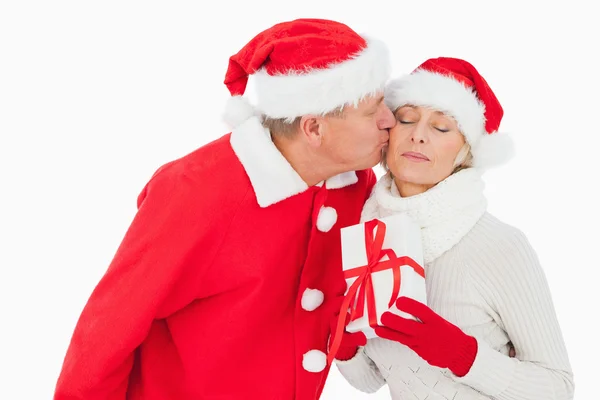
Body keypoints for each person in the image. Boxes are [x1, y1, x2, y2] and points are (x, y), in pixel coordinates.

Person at [53, 18, 396, 400]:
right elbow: (105, 336)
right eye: (373, 111)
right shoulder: (193, 192)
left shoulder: (354, 183)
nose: (390, 120)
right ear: (314, 129)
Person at [332, 57, 575, 399]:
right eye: (407, 119)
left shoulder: (499, 246)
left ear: (464, 151)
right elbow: (373, 380)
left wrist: (463, 355)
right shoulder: (368, 241)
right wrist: (345, 346)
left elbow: (558, 387)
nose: (418, 136)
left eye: (441, 127)